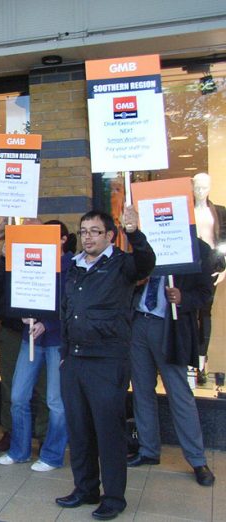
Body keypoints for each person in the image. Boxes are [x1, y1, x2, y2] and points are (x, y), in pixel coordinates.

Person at [56, 207, 155, 521]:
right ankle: (85, 489)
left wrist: (135, 233)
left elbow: (146, 263)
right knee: (80, 429)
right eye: (84, 231)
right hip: (74, 359)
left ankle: (113, 497)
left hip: (107, 360)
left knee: (108, 432)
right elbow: (67, 308)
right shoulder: (73, 266)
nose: (88, 237)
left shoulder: (122, 264)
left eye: (95, 231)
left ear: (110, 235)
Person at [128, 238, 215, 486]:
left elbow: (205, 292)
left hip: (170, 327)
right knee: (142, 391)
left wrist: (183, 297)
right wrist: (136, 282)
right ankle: (148, 450)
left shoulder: (198, 248)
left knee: (179, 394)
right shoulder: (147, 242)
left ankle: (197, 460)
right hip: (140, 322)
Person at [0, 221, 75, 471]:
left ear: (62, 239)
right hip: (29, 338)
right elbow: (20, 289)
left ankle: (52, 454)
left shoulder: (71, 267)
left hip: (55, 342)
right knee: (18, 396)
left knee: (55, 400)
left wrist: (48, 325)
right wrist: (21, 312)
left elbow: (71, 306)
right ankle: (19, 451)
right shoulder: (29, 260)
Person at [191, 173, 226, 383]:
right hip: (191, 265)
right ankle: (192, 363)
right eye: (197, 186)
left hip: (212, 266)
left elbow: (223, 240)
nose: (201, 190)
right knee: (189, 313)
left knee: (206, 315)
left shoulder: (219, 212)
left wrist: (224, 267)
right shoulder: (187, 211)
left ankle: (203, 364)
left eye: (205, 187)